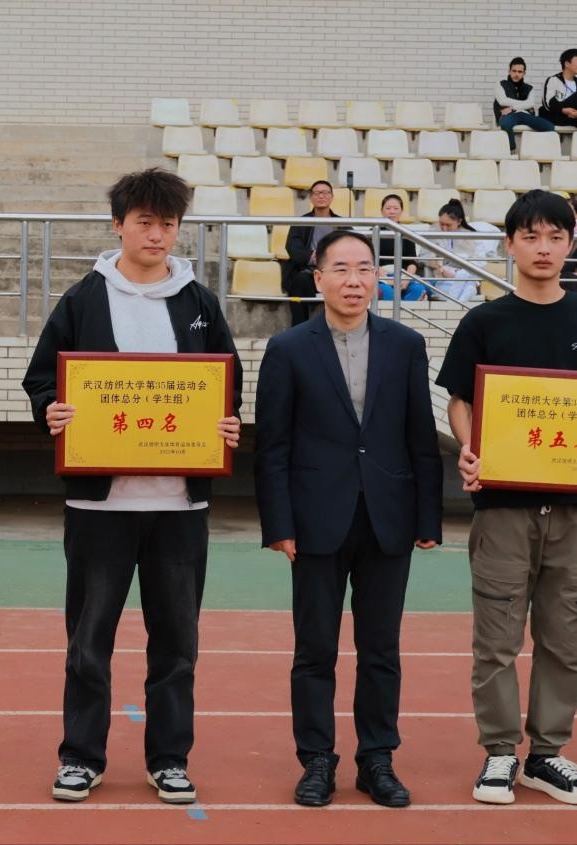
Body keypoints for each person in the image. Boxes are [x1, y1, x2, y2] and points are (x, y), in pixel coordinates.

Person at [22, 168, 243, 804]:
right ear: (118, 224)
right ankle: (81, 757)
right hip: (99, 505)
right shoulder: (83, 299)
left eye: (168, 224)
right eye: (144, 222)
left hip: (180, 504)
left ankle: (169, 758)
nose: (156, 235)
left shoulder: (199, 303)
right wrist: (51, 411)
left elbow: (226, 385)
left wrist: (227, 423)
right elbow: (42, 380)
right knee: (89, 640)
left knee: (177, 643)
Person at [254, 229, 443, 809]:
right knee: (315, 649)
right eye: (341, 269)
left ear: (377, 278)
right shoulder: (288, 348)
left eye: (365, 268)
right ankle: (316, 760)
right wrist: (279, 524)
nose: (354, 280)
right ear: (318, 279)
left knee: (381, 649)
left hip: (388, 517)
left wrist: (428, 517)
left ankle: (376, 760)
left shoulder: (405, 344)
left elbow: (420, 435)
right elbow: (273, 445)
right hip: (315, 518)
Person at [435, 189, 577, 806]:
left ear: (570, 244)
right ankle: (498, 752)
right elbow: (460, 400)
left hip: (572, 511)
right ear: (509, 244)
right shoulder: (484, 322)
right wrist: (470, 449)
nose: (543, 248)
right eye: (531, 236)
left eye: (555, 237)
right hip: (502, 509)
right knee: (496, 638)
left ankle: (546, 756)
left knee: (565, 639)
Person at [281, 180, 339, 325]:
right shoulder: (302, 222)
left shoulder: (341, 223)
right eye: (317, 193)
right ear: (311, 198)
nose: (321, 196)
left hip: (335, 271)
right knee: (299, 281)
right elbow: (292, 248)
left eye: (325, 193)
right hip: (308, 272)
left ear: (331, 197)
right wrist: (312, 256)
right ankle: (299, 328)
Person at [427, 199, 500, 301]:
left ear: (459, 222)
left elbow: (480, 263)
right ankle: (460, 299)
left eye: (448, 225)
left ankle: (454, 303)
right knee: (467, 287)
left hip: (466, 277)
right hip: (444, 278)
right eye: (441, 224)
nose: (444, 228)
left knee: (465, 277)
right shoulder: (434, 232)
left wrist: (458, 272)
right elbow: (426, 256)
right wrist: (439, 267)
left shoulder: (471, 237)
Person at [494, 57, 555, 151]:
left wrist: (513, 107)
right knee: (505, 123)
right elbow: (502, 101)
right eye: (514, 71)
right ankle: (511, 150)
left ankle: (535, 150)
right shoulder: (500, 84)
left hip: (525, 115)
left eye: (520, 72)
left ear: (524, 73)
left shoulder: (529, 88)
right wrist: (524, 104)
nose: (516, 74)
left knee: (549, 126)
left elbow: (531, 103)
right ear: (509, 71)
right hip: (508, 115)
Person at [374, 194, 425, 302]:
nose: (392, 212)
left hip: (402, 275)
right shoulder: (373, 232)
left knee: (418, 289)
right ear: (382, 211)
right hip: (381, 275)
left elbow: (412, 262)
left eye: (396, 208)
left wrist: (406, 279)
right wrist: (387, 280)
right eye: (388, 208)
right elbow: (371, 261)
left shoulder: (406, 233)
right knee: (387, 291)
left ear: (401, 211)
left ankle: (403, 309)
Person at [539, 49, 577, 128]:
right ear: (567, 64)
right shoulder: (553, 80)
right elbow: (547, 104)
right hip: (557, 116)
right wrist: (563, 110)